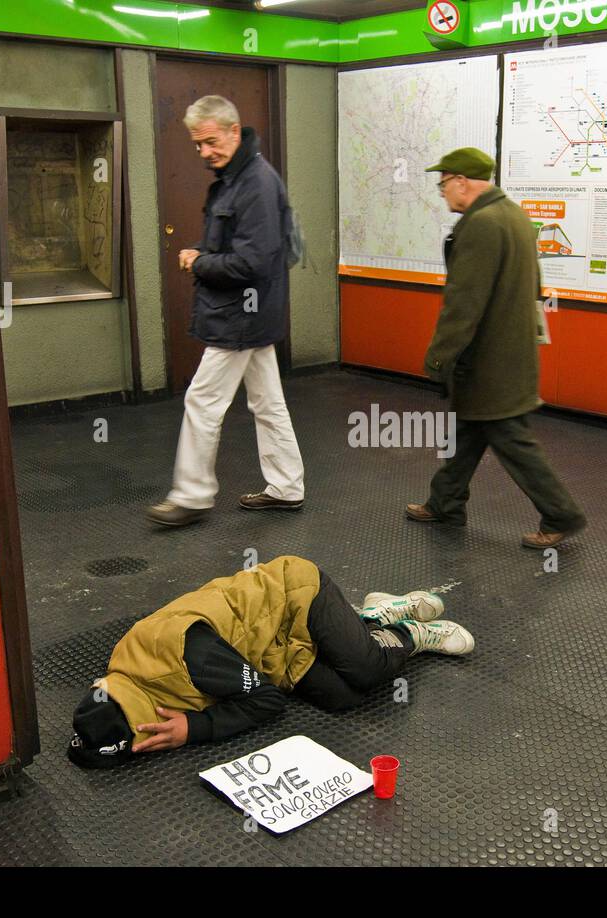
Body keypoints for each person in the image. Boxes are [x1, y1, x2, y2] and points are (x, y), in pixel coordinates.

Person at [67, 556, 473, 767]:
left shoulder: (189, 661)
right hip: (271, 649)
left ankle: (409, 633)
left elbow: (267, 701)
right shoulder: (127, 672)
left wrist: (194, 728)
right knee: (343, 696)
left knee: (366, 668)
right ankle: (371, 617)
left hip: (293, 594)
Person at [407, 147, 587, 550]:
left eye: (442, 184)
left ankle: (561, 514)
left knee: (511, 439)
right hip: (511, 352)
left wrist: (438, 358)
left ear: (461, 182)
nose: (442, 192)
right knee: (468, 431)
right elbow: (535, 286)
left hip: (488, 360)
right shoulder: (514, 216)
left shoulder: (481, 224)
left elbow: (463, 303)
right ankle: (445, 502)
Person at [146, 95, 304, 528]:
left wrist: (199, 262)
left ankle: (192, 496)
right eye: (198, 144)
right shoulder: (237, 178)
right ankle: (287, 487)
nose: (204, 152)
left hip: (241, 316)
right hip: (252, 312)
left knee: (202, 400)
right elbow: (238, 247)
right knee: (268, 402)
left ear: (234, 131)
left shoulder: (255, 184)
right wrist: (205, 253)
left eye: (211, 142)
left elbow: (252, 262)